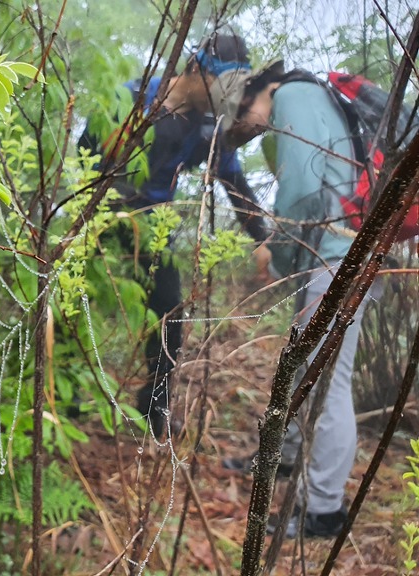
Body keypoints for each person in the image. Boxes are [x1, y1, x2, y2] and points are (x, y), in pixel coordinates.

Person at [79, 32, 269, 438]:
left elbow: (234, 183)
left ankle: (153, 410)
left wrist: (262, 239)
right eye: (225, 84)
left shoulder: (209, 127)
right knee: (76, 297)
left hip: (154, 224)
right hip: (101, 212)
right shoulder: (131, 98)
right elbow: (85, 154)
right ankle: (63, 395)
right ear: (197, 70)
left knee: (169, 311)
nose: (230, 97)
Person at [221, 62, 382, 538]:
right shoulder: (314, 95)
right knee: (299, 366)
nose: (251, 129)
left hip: (336, 258)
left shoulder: (292, 95)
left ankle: (324, 510)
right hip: (335, 255)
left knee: (328, 382)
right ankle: (287, 456)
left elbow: (302, 189)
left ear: (252, 94)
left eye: (243, 118)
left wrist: (278, 255)